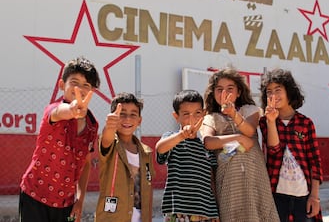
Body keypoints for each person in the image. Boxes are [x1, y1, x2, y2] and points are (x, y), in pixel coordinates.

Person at [19, 56, 100, 222]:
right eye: (74, 82)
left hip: (65, 204)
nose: (80, 88)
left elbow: (86, 163)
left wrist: (80, 200)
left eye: (86, 85)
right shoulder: (54, 110)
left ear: (92, 91)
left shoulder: (92, 125)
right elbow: (59, 112)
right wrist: (72, 109)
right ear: (62, 85)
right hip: (34, 195)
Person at [200, 67, 279, 221]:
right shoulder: (210, 118)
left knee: (259, 212)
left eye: (230, 88)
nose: (225, 93)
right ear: (213, 93)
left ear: (239, 92)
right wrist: (238, 139)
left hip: (254, 174)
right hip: (228, 178)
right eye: (220, 89)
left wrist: (233, 114)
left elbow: (249, 131)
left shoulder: (250, 110)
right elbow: (208, 142)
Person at [259, 68, 323, 222]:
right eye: (269, 91)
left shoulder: (306, 123)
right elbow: (273, 150)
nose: (273, 95)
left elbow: (315, 162)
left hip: (304, 195)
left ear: (289, 92)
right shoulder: (265, 121)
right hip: (276, 195)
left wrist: (314, 196)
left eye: (278, 90)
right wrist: (271, 121)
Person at [156, 89, 219, 222]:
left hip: (206, 212)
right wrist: (181, 135)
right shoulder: (172, 139)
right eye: (186, 114)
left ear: (203, 114)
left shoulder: (206, 145)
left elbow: (212, 179)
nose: (192, 119)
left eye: (197, 113)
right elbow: (160, 149)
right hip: (179, 212)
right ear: (176, 116)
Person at [95, 92, 155, 222]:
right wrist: (110, 126)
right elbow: (107, 138)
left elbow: (148, 189)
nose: (127, 119)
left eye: (133, 114)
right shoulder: (111, 144)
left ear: (139, 120)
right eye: (122, 114)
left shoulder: (146, 152)